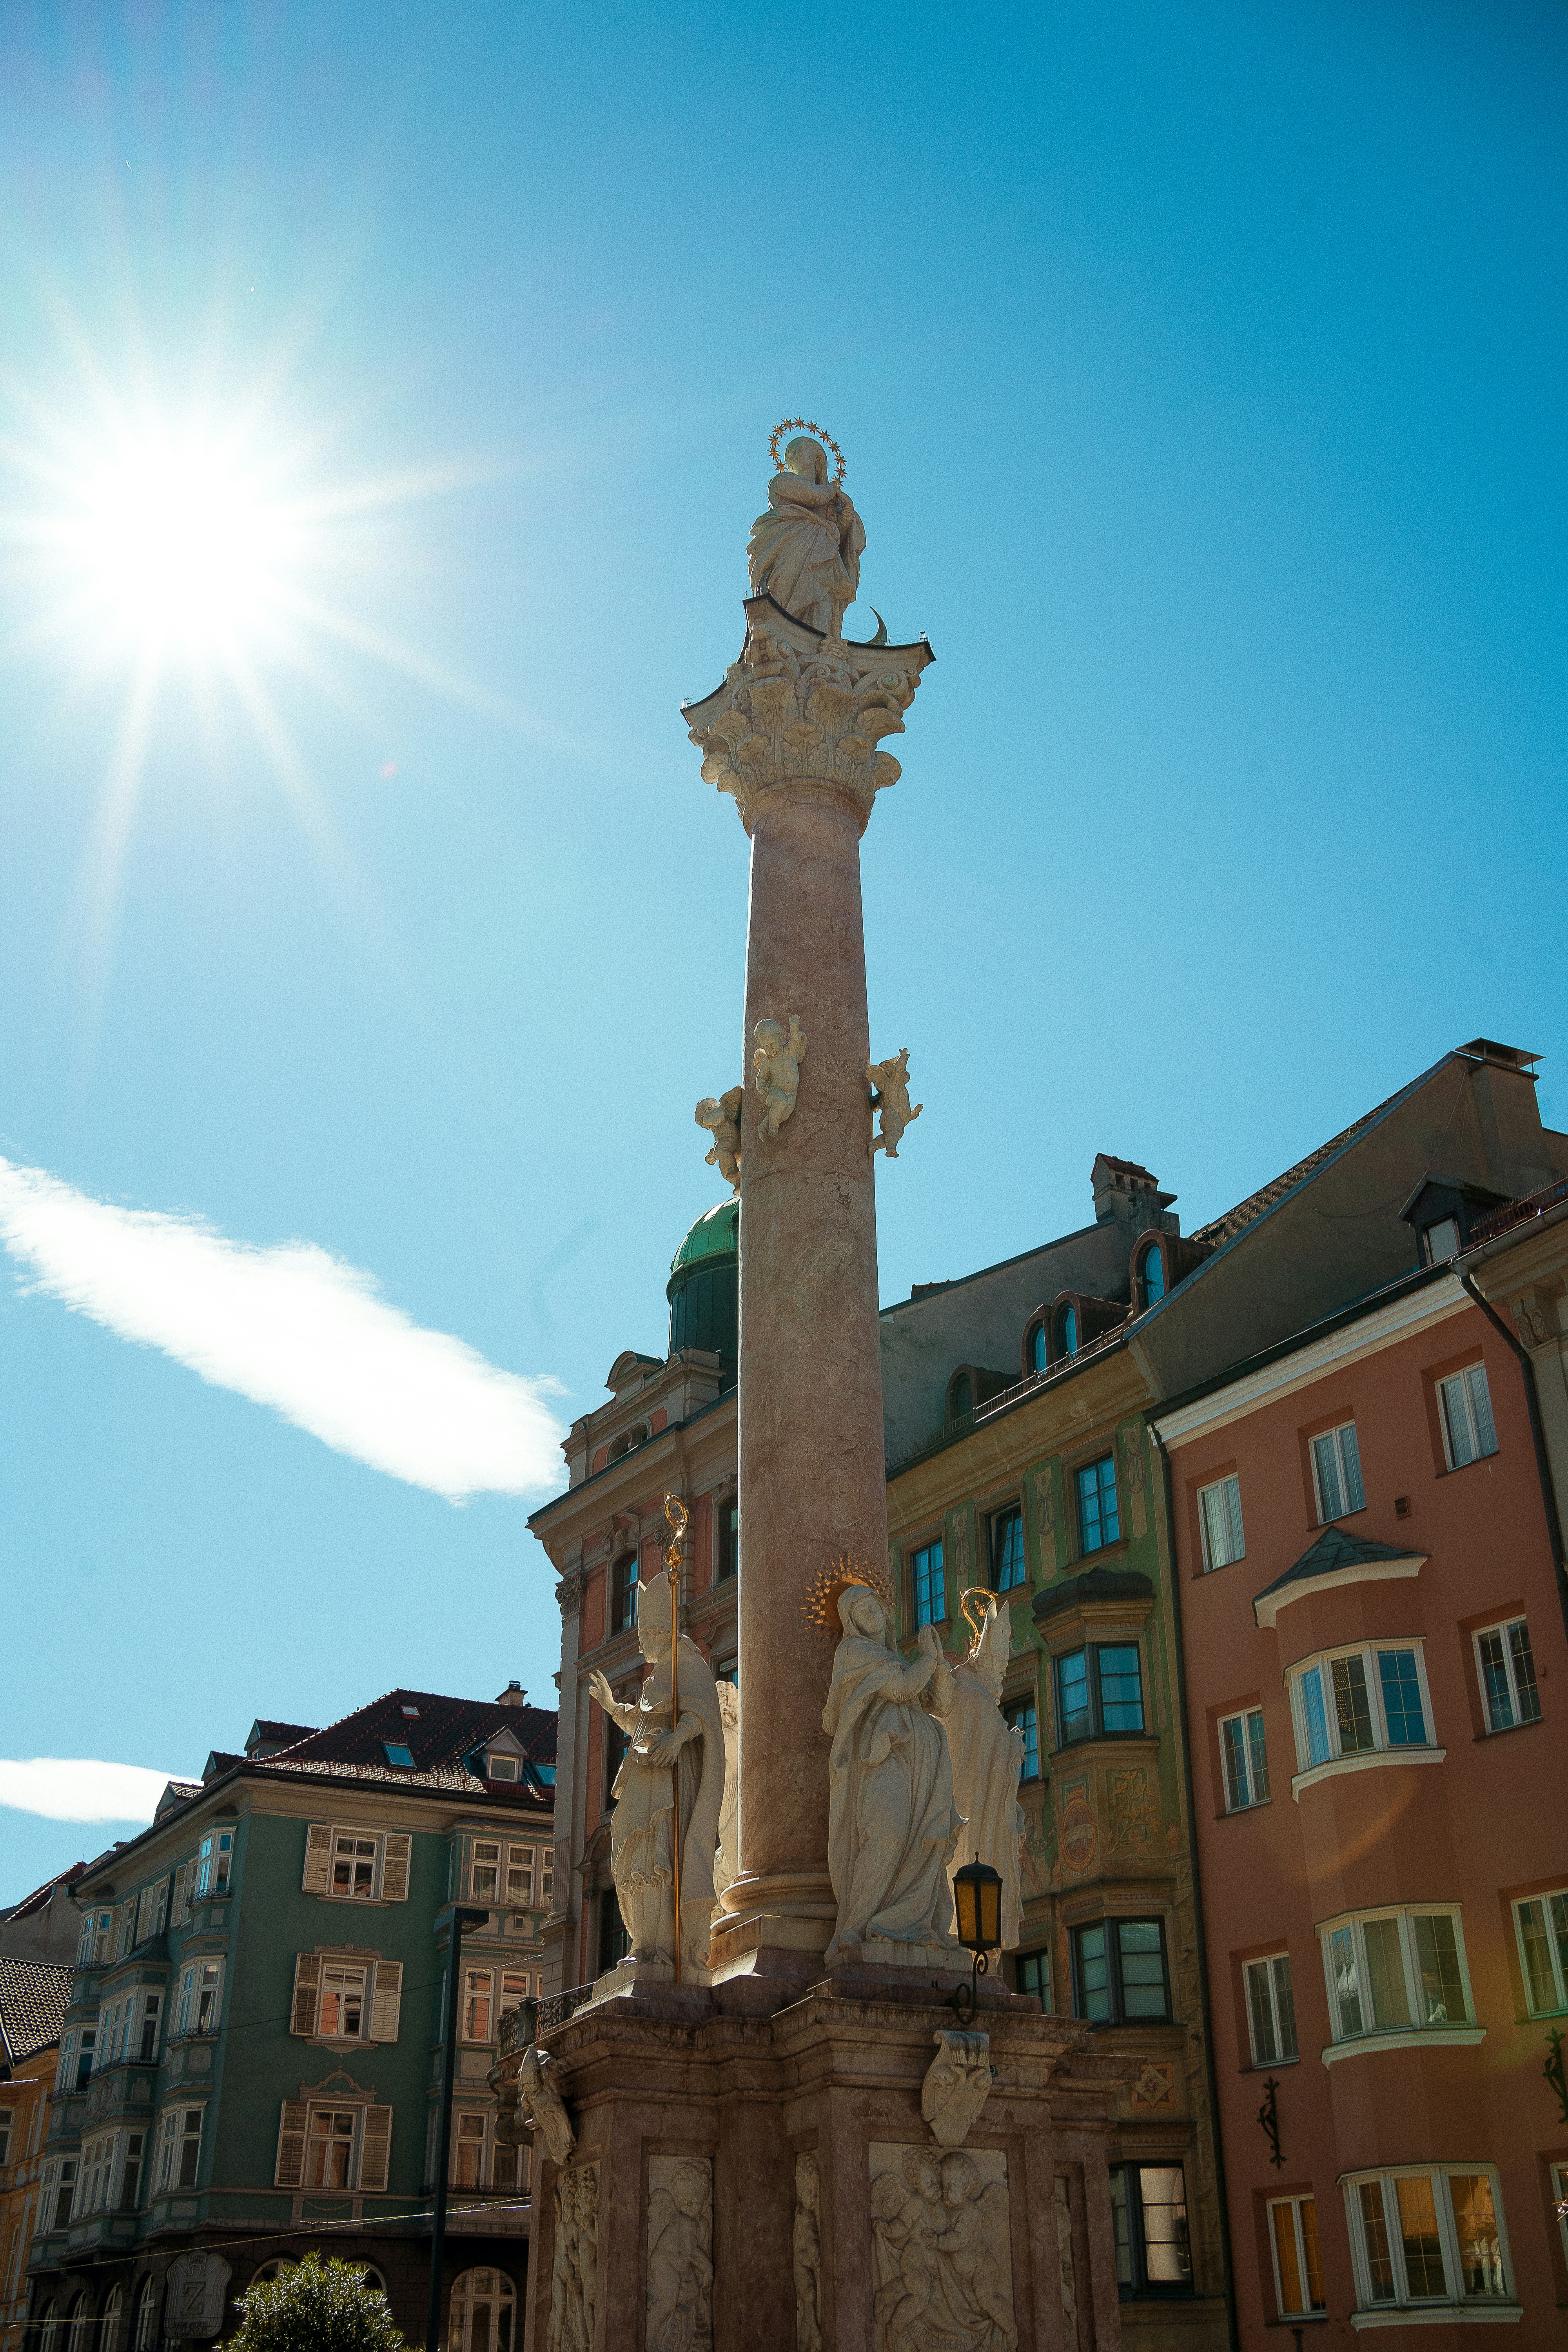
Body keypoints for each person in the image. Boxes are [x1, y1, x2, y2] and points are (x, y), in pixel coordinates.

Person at [822, 1586, 962, 1967]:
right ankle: (855, 1926)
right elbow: (901, 1690)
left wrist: (940, 1668)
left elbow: (941, 1705)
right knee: (886, 1836)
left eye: (874, 1608)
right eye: (860, 1612)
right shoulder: (854, 1653)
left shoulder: (894, 1659)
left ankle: (911, 1926)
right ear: (851, 1623)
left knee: (922, 1845)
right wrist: (929, 1659)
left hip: (925, 1765)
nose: (871, 1616)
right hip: (881, 1759)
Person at [587, 1597, 725, 1975]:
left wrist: (679, 1738)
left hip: (667, 1780)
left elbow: (704, 1716)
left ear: (662, 1633)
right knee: (634, 1858)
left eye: (645, 1635)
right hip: (641, 1779)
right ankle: (645, 1942)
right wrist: (613, 1706)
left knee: (659, 1859)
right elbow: (641, 1723)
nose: (641, 1644)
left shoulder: (689, 1666)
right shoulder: (658, 1674)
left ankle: (664, 1944)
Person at [747, 437, 866, 635]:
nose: (793, 454)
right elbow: (812, 496)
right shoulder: (782, 481)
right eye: (790, 453)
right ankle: (780, 632)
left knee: (824, 596)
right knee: (783, 593)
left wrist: (846, 516)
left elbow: (842, 535)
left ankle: (822, 645)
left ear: (818, 458)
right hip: (791, 543)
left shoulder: (829, 501)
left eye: (800, 450)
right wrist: (833, 491)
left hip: (823, 550)